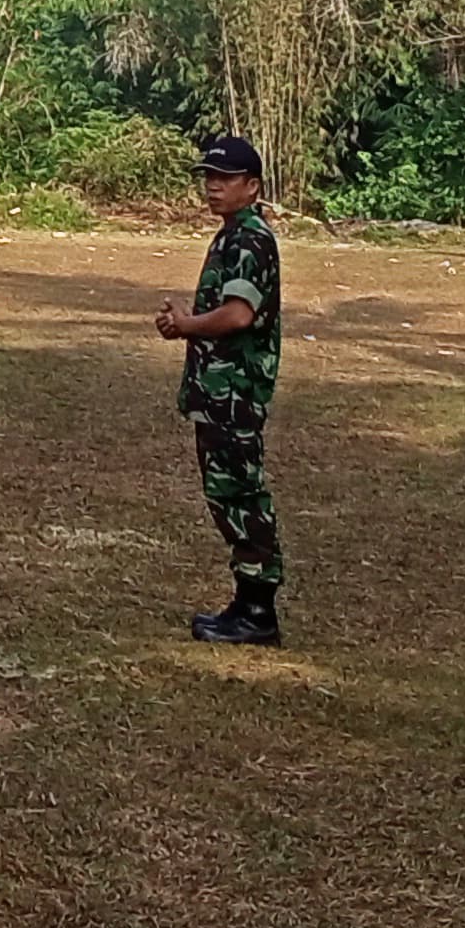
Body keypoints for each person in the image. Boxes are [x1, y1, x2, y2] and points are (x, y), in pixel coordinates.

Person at [155, 134, 284, 646]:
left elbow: (239, 314)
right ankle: (246, 602)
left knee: (241, 495)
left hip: (234, 393)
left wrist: (186, 327)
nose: (213, 187)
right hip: (218, 390)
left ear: (252, 187)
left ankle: (258, 611)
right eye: (209, 177)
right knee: (225, 494)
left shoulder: (251, 239)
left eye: (225, 178)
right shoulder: (232, 235)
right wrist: (185, 321)